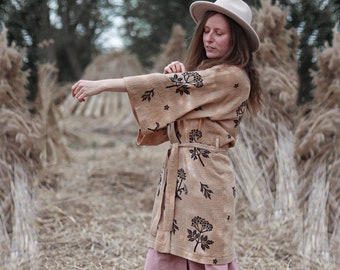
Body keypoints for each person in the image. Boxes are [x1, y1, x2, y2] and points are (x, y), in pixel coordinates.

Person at [72, 0, 261, 269]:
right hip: (180, 172)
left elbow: (167, 88)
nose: (209, 38)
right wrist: (180, 78)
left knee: (202, 252)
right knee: (169, 248)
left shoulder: (232, 77)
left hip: (207, 176)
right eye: (206, 30)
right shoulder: (206, 73)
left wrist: (103, 84)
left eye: (219, 33)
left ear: (236, 39)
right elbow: (175, 107)